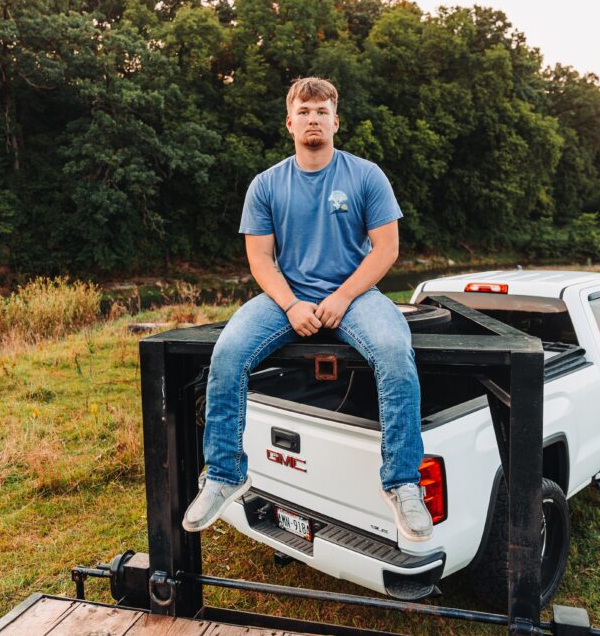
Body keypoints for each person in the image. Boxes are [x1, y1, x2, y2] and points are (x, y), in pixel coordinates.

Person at [182, 77, 432, 541]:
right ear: (289, 122)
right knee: (227, 354)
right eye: (304, 110)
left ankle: (402, 484)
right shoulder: (266, 184)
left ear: (335, 121)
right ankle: (224, 474)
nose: (312, 118)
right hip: (286, 298)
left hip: (355, 297)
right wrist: (292, 303)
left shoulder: (365, 175)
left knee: (396, 355)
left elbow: (386, 250)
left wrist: (341, 297)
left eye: (321, 111)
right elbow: (259, 258)